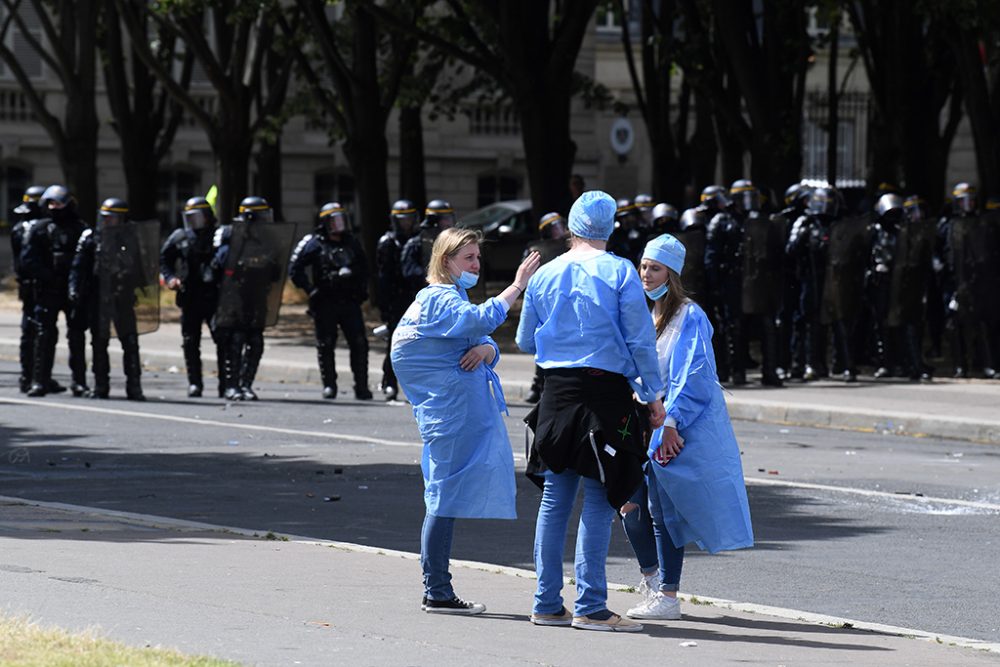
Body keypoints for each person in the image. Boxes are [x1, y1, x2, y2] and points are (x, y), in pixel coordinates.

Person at [516, 190, 666, 633]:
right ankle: (591, 605)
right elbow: (640, 341)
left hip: (556, 395)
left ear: (573, 226)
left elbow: (526, 340)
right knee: (602, 499)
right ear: (610, 227)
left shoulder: (545, 274)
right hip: (606, 396)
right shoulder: (620, 270)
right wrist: (653, 395)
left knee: (553, 499)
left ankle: (545, 602)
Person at [391, 228, 541, 615]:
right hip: (450, 415)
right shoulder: (438, 298)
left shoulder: (447, 298)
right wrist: (517, 287)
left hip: (451, 415)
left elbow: (478, 338)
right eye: (468, 259)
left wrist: (486, 348)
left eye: (477, 258)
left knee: (446, 497)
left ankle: (437, 587)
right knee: (442, 499)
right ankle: (437, 589)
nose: (476, 265)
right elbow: (480, 319)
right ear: (445, 262)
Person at [623, 233, 754, 621]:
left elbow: (694, 374)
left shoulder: (689, 315)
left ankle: (667, 594)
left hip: (672, 425)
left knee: (663, 512)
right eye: (644, 266)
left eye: (655, 268)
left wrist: (671, 423)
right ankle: (652, 580)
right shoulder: (642, 312)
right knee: (628, 504)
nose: (646, 274)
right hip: (640, 423)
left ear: (673, 273)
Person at [69, 198, 153, 400]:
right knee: (99, 343)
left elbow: (140, 268)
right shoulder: (90, 237)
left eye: (112, 218)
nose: (107, 222)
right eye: (105, 218)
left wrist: (143, 290)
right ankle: (100, 386)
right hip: (99, 299)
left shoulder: (130, 238)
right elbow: (78, 267)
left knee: (130, 342)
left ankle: (134, 387)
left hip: (123, 297)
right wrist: (74, 289)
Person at [289, 202, 371, 400]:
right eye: (335, 221)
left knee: (359, 343)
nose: (339, 225)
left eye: (342, 220)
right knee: (326, 344)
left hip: (350, 301)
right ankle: (329, 385)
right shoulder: (315, 243)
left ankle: (361, 386)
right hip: (326, 301)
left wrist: (358, 286)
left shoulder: (352, 243)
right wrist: (311, 290)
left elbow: (365, 268)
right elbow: (295, 269)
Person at [19, 185, 88, 397]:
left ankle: (79, 381)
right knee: (44, 335)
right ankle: (39, 381)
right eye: (50, 203)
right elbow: (27, 260)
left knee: (76, 335)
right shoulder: (40, 229)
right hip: (48, 289)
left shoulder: (80, 229)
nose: (54, 207)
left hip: (72, 289)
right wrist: (48, 274)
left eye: (58, 203)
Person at [161, 196, 222, 397]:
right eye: (190, 217)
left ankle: (226, 383)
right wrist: (171, 279)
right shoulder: (181, 237)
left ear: (207, 217)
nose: (194, 221)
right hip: (190, 296)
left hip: (214, 296)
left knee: (222, 338)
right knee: (190, 341)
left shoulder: (219, 235)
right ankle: (195, 382)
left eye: (198, 216)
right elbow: (164, 260)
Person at [523, 211, 570, 404]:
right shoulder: (535, 249)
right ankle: (537, 384)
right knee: (542, 341)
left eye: (560, 225)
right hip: (544, 300)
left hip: (565, 300)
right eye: (554, 227)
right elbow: (526, 273)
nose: (559, 231)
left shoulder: (571, 247)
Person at [375, 199, 419, 400]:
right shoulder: (388, 242)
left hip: (415, 297)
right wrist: (385, 306)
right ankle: (389, 382)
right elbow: (383, 277)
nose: (406, 223)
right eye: (403, 220)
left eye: (409, 219)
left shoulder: (421, 240)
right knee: (395, 344)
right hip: (396, 299)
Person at [9, 185, 46, 393]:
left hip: (26, 285)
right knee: (40, 331)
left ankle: (28, 375)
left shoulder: (18, 228)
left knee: (29, 331)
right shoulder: (39, 228)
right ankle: (35, 376)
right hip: (39, 285)